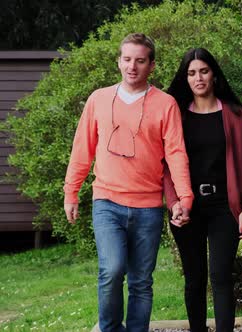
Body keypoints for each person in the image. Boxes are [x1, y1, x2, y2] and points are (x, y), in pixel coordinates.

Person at [63, 33, 194, 332]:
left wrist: (184, 198)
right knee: (111, 270)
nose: (132, 66)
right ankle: (109, 329)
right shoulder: (98, 99)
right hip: (107, 202)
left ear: (152, 65)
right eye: (126, 59)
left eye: (140, 60)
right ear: (119, 62)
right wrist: (71, 192)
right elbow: (82, 149)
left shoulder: (166, 104)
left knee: (141, 281)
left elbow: (176, 154)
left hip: (148, 207)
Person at [164, 47, 242, 332]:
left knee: (220, 276)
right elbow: (164, 165)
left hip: (224, 206)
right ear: (185, 78)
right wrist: (174, 203)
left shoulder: (235, 114)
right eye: (191, 73)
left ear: (214, 74)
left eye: (203, 71)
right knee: (194, 278)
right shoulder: (175, 115)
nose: (198, 78)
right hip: (187, 207)